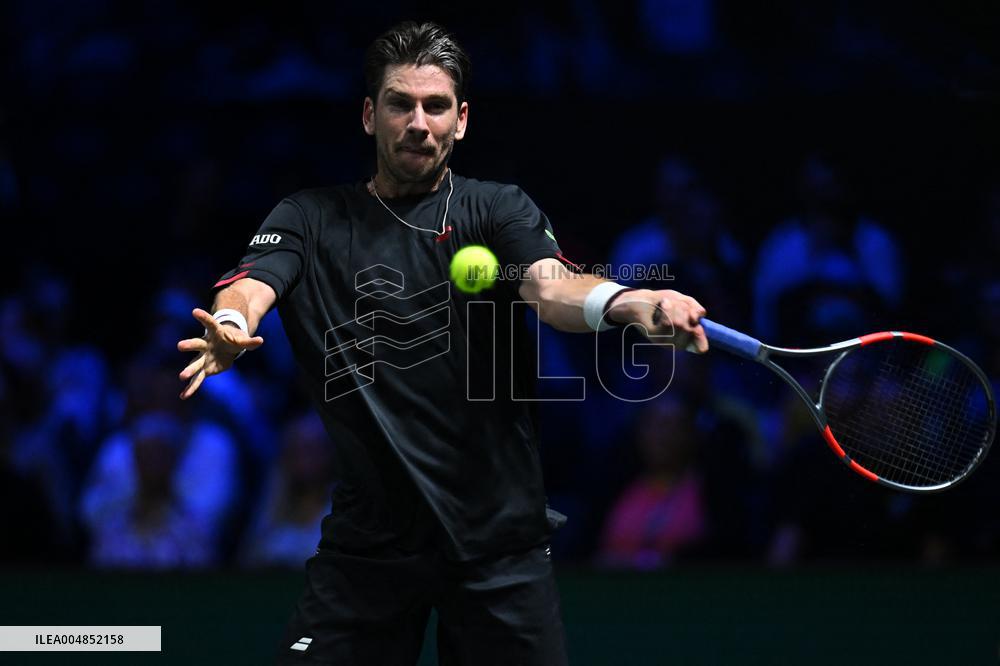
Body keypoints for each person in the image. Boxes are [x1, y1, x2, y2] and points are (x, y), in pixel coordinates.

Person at [177, 21, 708, 666]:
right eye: (400, 104)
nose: (418, 123)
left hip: (499, 549)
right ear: (371, 115)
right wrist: (233, 324)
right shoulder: (310, 217)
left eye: (436, 107)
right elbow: (252, 284)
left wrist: (629, 304)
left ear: (462, 120)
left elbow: (551, 288)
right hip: (369, 550)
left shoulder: (497, 209)